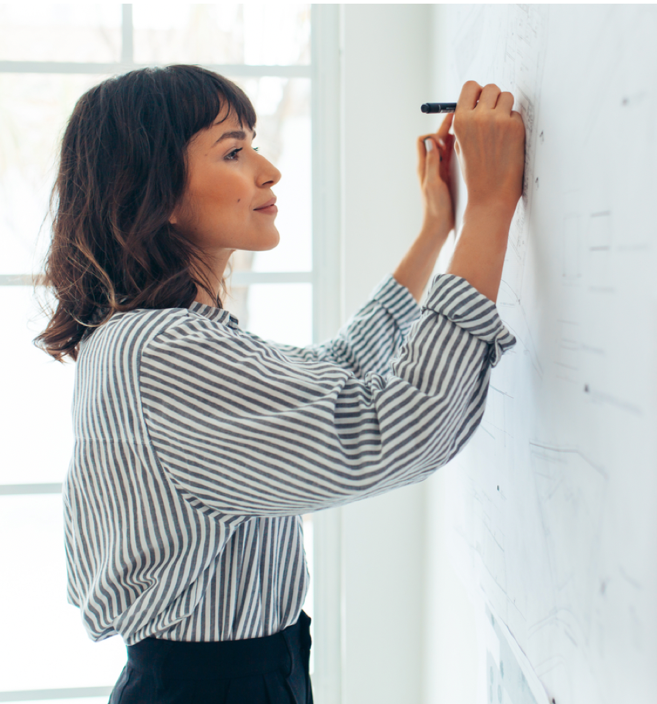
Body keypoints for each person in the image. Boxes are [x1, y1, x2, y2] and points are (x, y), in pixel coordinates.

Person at [36, 64, 525, 703]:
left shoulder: (161, 335)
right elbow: (398, 428)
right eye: (234, 151)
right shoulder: (162, 350)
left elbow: (338, 372)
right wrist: (490, 209)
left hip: (242, 675)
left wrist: (438, 230)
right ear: (152, 191)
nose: (268, 170)